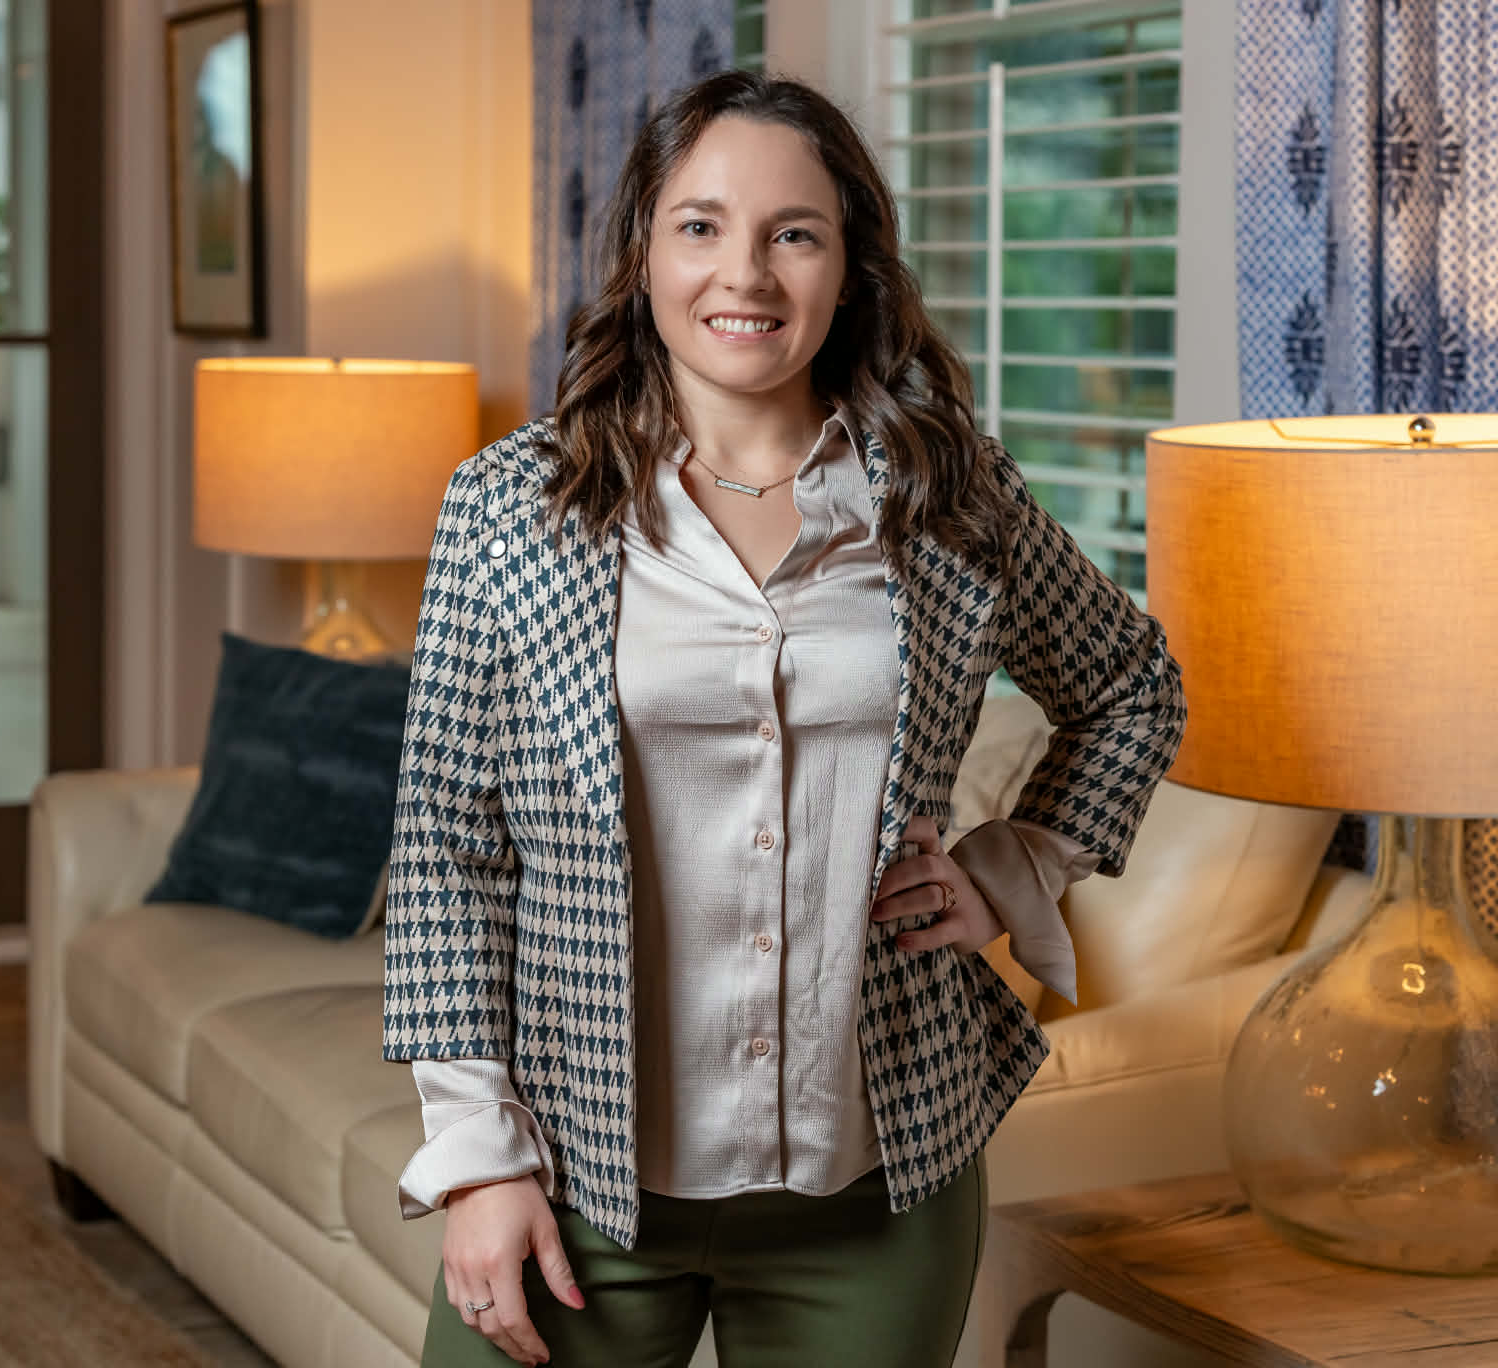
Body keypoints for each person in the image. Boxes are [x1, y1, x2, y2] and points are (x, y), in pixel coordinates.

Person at [380, 69, 1185, 1368]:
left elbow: (1131, 686)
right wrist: (478, 1163)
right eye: (700, 226)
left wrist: (1010, 868)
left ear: (849, 266)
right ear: (643, 252)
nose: (744, 274)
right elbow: (446, 848)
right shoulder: (510, 507)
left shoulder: (951, 499)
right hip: (574, 1183)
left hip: (877, 1192)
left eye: (793, 233)